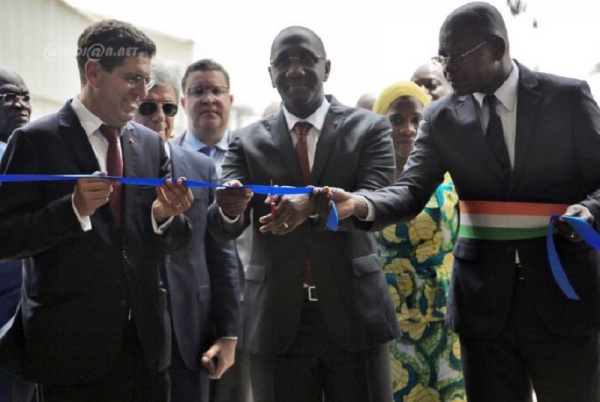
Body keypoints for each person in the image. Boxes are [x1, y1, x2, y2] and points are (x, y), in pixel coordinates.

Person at [331, 2, 600, 401]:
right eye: (443, 57)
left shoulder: (567, 97)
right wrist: (360, 204)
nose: (447, 67)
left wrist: (589, 211)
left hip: (566, 299)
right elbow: (410, 190)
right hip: (484, 308)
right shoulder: (440, 118)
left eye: (455, 55)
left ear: (496, 47)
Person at [0, 20, 193, 402]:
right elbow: (5, 237)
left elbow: (172, 240)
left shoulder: (152, 146)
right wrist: (72, 210)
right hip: (69, 355)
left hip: (146, 351)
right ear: (93, 71)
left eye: (147, 79)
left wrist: (165, 217)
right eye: (133, 79)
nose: (144, 92)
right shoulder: (34, 142)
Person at [207, 25, 400, 402]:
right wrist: (230, 209)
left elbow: (377, 201)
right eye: (283, 62)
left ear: (326, 67)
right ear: (270, 75)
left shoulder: (370, 129)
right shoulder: (245, 141)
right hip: (277, 322)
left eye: (306, 59)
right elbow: (221, 226)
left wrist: (313, 204)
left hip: (355, 315)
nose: (294, 69)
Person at [133, 61, 241, 402]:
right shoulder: (114, 166)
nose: (159, 117)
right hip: (130, 334)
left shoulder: (200, 167)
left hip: (190, 334)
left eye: (167, 107)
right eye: (147, 107)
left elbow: (221, 254)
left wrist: (228, 334)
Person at [372, 81, 464, 401]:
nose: (407, 129)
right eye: (395, 119)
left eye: (418, 120)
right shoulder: (366, 187)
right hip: (391, 327)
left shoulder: (455, 179)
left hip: (448, 321)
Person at [177, 58, 252, 402]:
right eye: (198, 91)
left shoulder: (254, 155)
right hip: (186, 316)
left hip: (247, 312)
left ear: (230, 99)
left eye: (216, 90)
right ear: (183, 103)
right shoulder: (164, 161)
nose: (208, 98)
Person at [0, 67, 37, 402]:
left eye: (25, 97)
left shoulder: (38, 157)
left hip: (29, 315)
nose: (20, 104)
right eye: (7, 96)